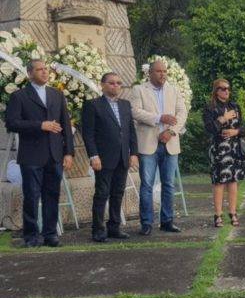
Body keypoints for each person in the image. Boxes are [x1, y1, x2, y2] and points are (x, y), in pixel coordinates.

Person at [4, 59, 73, 247]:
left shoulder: (56, 94)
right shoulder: (20, 96)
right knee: (32, 196)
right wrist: (40, 125)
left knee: (52, 195)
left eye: (46, 69)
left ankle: (50, 234)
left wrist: (69, 153)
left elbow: (66, 125)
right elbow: (11, 123)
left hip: (54, 154)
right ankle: (31, 236)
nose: (44, 72)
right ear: (29, 73)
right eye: (39, 69)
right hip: (32, 155)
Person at [130, 60, 187, 235]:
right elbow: (135, 111)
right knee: (147, 185)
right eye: (159, 71)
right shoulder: (139, 89)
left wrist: (171, 132)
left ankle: (167, 221)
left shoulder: (174, 90)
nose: (163, 74)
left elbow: (182, 113)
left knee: (169, 184)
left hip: (170, 143)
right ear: (150, 73)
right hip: (148, 144)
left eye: (165, 71)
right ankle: (147, 223)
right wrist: (159, 118)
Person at [81, 72, 139, 243]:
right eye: (112, 83)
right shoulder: (93, 105)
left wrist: (133, 153)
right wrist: (93, 156)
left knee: (118, 193)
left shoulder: (125, 105)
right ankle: (98, 230)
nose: (116, 86)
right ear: (102, 85)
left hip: (122, 157)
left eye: (119, 83)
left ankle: (114, 227)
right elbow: (88, 134)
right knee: (102, 193)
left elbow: (130, 131)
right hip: (103, 158)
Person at [202, 78, 245, 228]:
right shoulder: (210, 108)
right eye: (223, 88)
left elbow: (244, 128)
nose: (226, 91)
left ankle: (233, 213)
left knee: (233, 181)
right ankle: (218, 215)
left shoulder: (235, 106)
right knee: (219, 183)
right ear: (216, 91)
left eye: (228, 88)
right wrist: (223, 119)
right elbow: (209, 129)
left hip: (234, 149)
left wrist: (236, 131)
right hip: (219, 150)